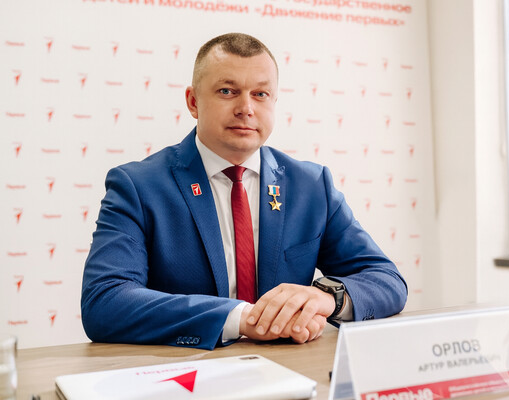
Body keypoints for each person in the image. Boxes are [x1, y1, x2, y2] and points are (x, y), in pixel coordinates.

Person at [81, 33, 407, 350]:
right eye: (227, 91)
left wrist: (326, 298)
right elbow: (105, 301)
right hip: (186, 371)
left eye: (260, 94)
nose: (246, 108)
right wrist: (241, 318)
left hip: (291, 368)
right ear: (193, 102)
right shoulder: (138, 186)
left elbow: (386, 279)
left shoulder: (311, 185)